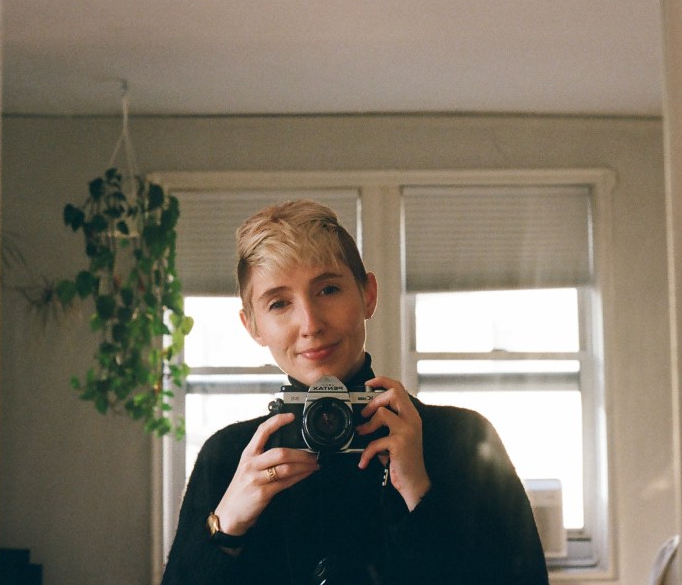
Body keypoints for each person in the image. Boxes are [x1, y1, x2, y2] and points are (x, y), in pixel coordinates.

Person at [161, 200, 549, 584]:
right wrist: (225, 527)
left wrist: (419, 491)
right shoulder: (229, 458)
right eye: (279, 303)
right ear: (253, 327)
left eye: (328, 289)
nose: (310, 323)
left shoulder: (464, 440)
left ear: (368, 295)